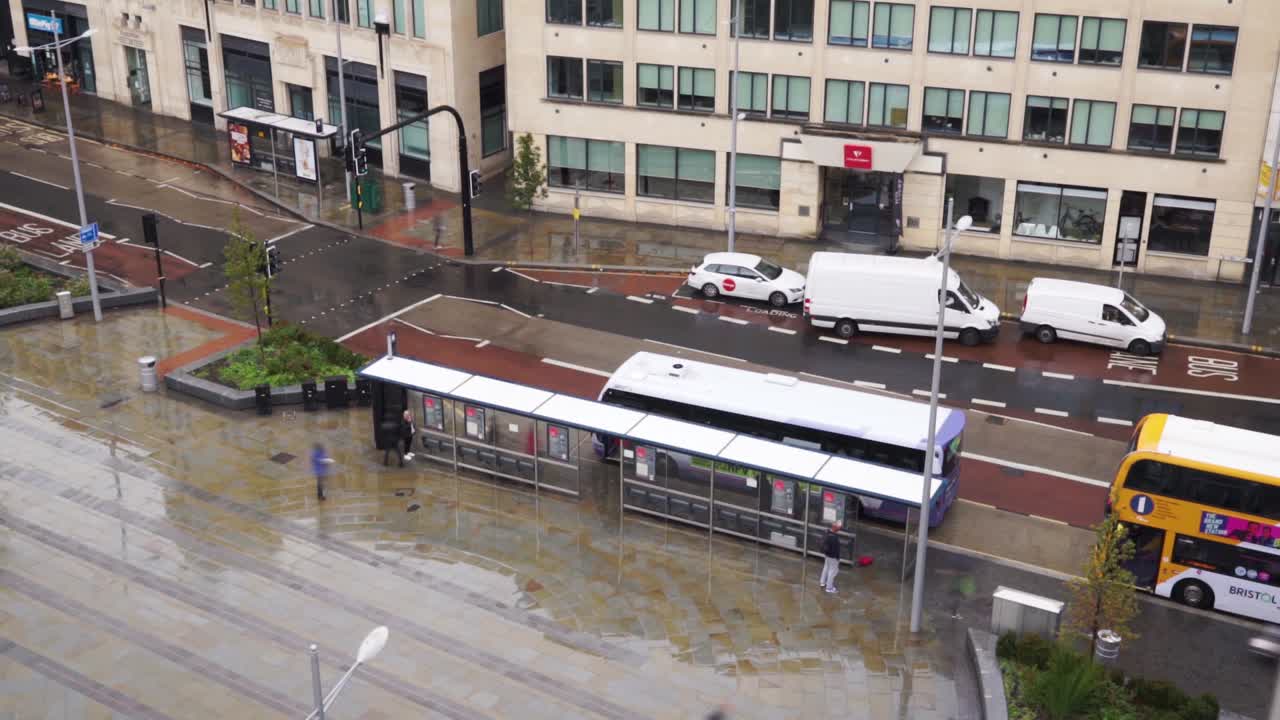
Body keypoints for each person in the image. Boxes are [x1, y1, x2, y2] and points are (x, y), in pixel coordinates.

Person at [819, 522, 842, 593]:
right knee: (833, 571)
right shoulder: (834, 537)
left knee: (826, 567)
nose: (840, 528)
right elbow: (836, 549)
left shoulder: (827, 532)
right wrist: (837, 558)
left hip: (827, 554)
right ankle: (829, 588)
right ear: (836, 528)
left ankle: (822, 582)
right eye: (839, 527)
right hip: (833, 556)